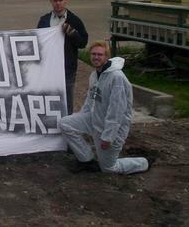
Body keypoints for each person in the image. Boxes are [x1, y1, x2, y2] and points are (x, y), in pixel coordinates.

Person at [59, 41, 151, 174]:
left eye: (100, 55)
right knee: (66, 124)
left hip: (112, 128)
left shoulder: (116, 78)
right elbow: (91, 100)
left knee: (108, 168)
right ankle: (86, 160)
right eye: (93, 54)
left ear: (106, 57)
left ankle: (144, 162)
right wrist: (81, 117)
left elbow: (117, 112)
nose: (96, 57)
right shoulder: (95, 75)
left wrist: (108, 137)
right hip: (94, 119)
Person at [37, 0, 88, 115]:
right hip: (48, 67)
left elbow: (83, 43)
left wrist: (72, 33)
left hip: (67, 69)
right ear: (51, 1)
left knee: (67, 100)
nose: (58, 3)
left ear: (66, 0)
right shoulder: (43, 20)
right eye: (55, 1)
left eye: (60, 0)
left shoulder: (75, 20)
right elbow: (37, 42)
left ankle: (67, 128)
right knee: (48, 98)